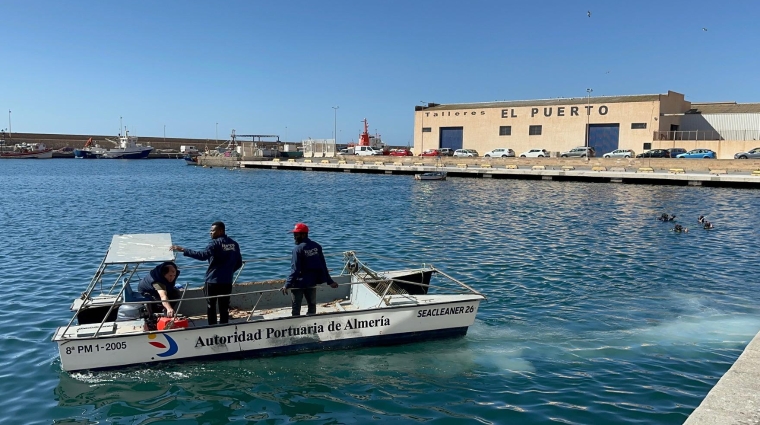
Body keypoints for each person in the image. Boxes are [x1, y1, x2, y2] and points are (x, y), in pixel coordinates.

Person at [170, 221, 242, 325]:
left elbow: (202, 256)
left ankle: (212, 326)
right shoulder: (234, 244)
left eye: (213, 230)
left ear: (220, 231)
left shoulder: (215, 244)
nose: (210, 233)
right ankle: (224, 326)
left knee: (211, 305)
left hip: (212, 281)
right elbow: (239, 263)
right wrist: (228, 271)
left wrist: (183, 250)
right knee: (224, 306)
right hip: (227, 281)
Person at [281, 223, 339, 316]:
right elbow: (323, 265)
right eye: (294, 234)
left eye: (296, 234)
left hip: (299, 283)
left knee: (296, 309)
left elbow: (295, 270)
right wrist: (329, 281)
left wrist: (287, 285)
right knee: (312, 306)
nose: (294, 237)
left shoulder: (297, 249)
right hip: (311, 282)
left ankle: (297, 327)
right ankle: (311, 324)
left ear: (303, 235)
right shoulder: (317, 246)